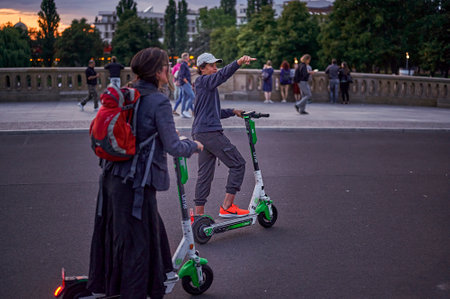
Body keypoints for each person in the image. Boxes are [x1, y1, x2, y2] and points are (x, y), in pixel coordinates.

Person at [87, 47, 203, 299]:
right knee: (137, 248)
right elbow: (173, 146)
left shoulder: (129, 94)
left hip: (112, 177)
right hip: (136, 183)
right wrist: (194, 146)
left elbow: (142, 135)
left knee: (125, 237)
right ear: (160, 72)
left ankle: (127, 286)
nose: (169, 70)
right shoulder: (158, 100)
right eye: (167, 66)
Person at [192, 52, 256, 217]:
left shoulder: (204, 85)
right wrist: (239, 62)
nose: (215, 68)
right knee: (238, 164)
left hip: (201, 132)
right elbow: (222, 75)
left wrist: (233, 111)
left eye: (216, 65)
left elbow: (213, 112)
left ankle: (198, 216)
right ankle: (227, 206)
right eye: (212, 65)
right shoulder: (203, 81)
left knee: (204, 175)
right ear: (202, 68)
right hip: (210, 132)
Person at [177, 52, 195, 118]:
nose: (189, 57)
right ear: (186, 57)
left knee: (184, 98)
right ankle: (186, 110)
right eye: (188, 56)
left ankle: (182, 112)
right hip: (185, 83)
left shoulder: (185, 65)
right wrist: (187, 83)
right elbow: (182, 75)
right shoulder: (183, 65)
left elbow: (184, 74)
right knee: (193, 96)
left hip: (185, 83)